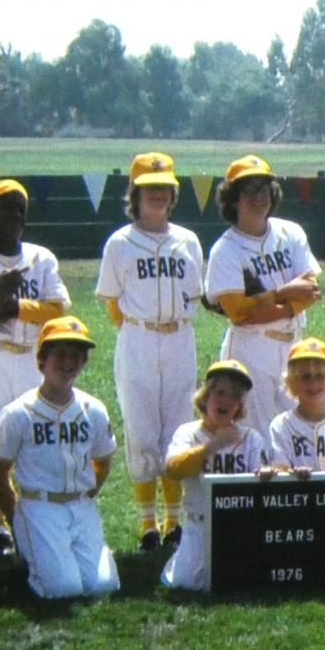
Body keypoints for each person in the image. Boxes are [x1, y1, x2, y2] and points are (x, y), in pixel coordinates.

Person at [96, 152, 205, 551]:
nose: (158, 194)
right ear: (135, 194)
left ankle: (173, 521)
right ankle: (147, 523)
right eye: (149, 188)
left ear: (173, 194)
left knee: (176, 426)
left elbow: (196, 293)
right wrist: (139, 328)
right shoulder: (120, 244)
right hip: (137, 338)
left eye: (164, 188)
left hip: (179, 338)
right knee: (141, 428)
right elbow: (111, 303)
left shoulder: (188, 241)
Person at [0, 179, 72, 558]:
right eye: (6, 208)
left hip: (30, 357)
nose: (15, 216)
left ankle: (32, 519)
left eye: (20, 209)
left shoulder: (41, 258)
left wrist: (14, 307)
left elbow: (57, 307)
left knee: (33, 439)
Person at [0, 316, 120, 600]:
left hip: (80, 506)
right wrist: (17, 520)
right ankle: (31, 563)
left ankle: (53, 558)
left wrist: (86, 493)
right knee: (63, 590)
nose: (68, 362)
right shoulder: (18, 412)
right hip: (39, 506)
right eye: (60, 353)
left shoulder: (92, 409)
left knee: (103, 586)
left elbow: (103, 460)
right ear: (42, 359)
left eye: (76, 355)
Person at [204, 154, 323, 434]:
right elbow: (239, 314)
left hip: (293, 342)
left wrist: (277, 305)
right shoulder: (226, 250)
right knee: (255, 431)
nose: (258, 197)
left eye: (264, 189)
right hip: (251, 347)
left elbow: (310, 290)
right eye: (249, 190)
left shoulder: (290, 232)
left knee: (298, 427)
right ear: (233, 198)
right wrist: (284, 292)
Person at [161, 360, 271, 591]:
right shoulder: (188, 433)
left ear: (240, 405)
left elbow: (260, 484)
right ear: (206, 396)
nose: (226, 401)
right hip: (199, 524)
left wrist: (264, 475)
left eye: (234, 396)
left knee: (244, 582)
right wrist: (213, 446)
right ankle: (180, 558)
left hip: (239, 525)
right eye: (220, 393)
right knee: (185, 584)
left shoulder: (251, 438)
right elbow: (174, 470)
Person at [267, 337, 325, 477]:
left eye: (320, 376)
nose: (314, 384)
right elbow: (279, 470)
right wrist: (291, 474)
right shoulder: (281, 425)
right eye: (305, 377)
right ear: (291, 382)